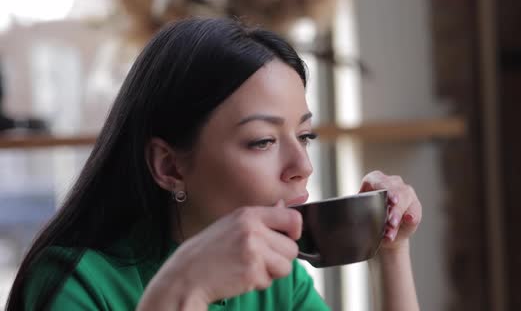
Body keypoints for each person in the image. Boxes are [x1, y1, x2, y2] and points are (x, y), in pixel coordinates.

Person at [6, 18, 422, 310]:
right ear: (169, 167)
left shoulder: (277, 280)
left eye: (305, 136)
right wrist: (183, 289)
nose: (302, 165)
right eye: (262, 141)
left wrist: (391, 249)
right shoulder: (75, 284)